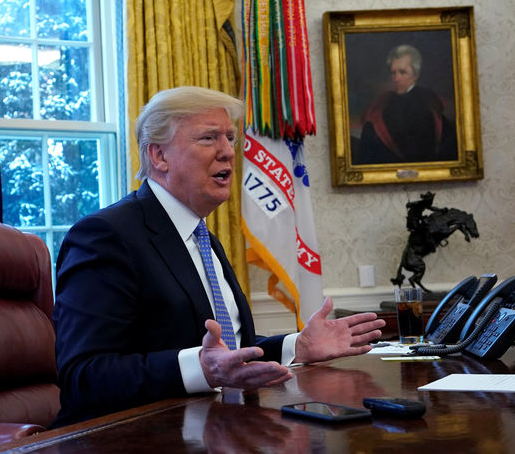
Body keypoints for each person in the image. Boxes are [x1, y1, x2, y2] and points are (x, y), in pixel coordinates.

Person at [52, 86, 385, 426]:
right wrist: (201, 368)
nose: (228, 152)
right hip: (130, 436)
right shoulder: (106, 236)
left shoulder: (202, 238)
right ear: (159, 157)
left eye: (229, 137)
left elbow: (227, 352)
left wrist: (296, 347)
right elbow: (84, 376)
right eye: (209, 138)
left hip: (217, 425)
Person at [353, 44, 457, 165]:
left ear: (415, 75)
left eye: (403, 72)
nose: (396, 78)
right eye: (393, 73)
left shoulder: (430, 103)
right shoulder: (382, 104)